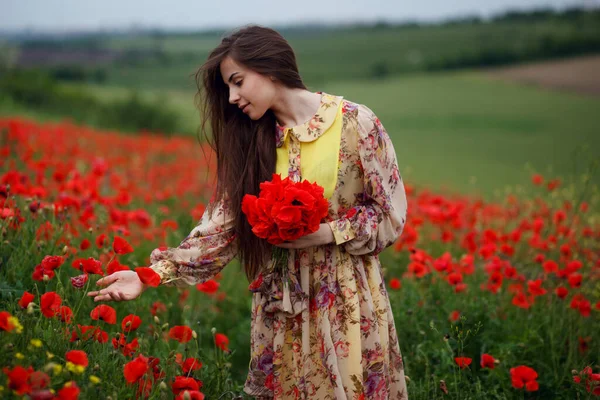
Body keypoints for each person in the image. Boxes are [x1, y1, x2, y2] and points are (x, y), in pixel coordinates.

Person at [87, 24, 409, 399]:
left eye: (237, 82)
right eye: (227, 88)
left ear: (270, 67)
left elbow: (388, 215)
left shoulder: (355, 123)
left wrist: (325, 233)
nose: (232, 97)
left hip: (344, 298)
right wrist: (149, 276)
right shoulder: (254, 140)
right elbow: (220, 229)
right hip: (279, 304)